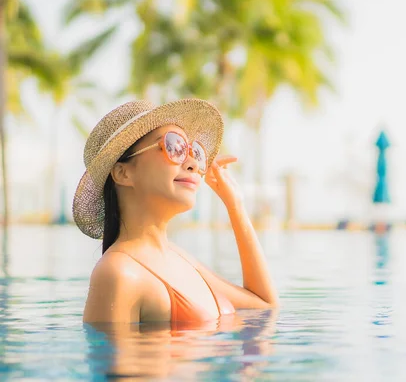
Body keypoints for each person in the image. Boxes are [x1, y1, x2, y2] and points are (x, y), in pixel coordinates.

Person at [74, 99, 279, 328]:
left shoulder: (179, 258)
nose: (192, 163)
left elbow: (264, 305)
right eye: (174, 147)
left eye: (194, 152)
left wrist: (235, 206)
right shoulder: (119, 273)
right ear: (123, 173)